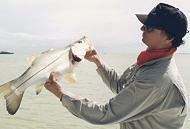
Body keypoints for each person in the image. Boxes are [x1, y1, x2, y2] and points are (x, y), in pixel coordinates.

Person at [44, 3, 188, 129]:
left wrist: (61, 94)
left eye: (149, 27)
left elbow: (105, 114)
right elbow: (121, 87)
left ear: (169, 37)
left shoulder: (156, 78)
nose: (141, 28)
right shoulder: (152, 60)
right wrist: (98, 62)